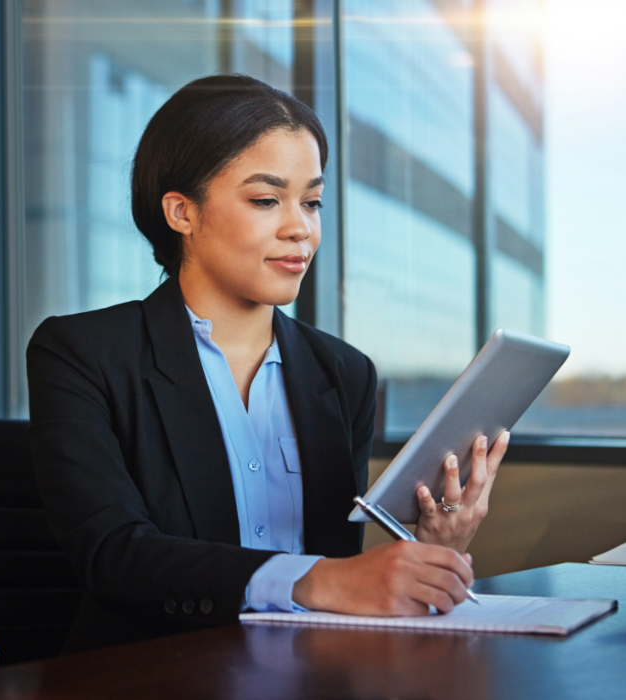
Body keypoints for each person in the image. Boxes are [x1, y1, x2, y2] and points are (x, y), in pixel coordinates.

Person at [26, 74, 509, 652]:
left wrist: (435, 547)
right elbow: (113, 554)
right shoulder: (82, 353)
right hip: (152, 672)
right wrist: (318, 578)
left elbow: (338, 578)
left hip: (312, 672)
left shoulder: (344, 374)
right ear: (182, 212)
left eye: (311, 202)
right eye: (265, 199)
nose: (300, 227)